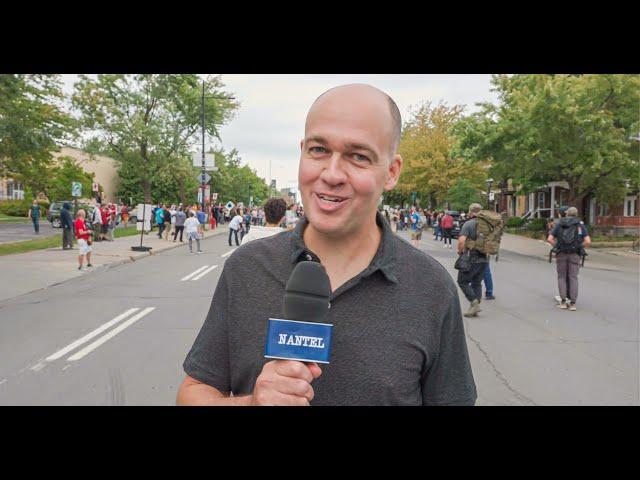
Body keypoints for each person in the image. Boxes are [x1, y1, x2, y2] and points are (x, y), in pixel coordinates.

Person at [177, 83, 476, 406]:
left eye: (358, 156)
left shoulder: (431, 288)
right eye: (319, 150)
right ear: (303, 151)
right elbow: (192, 393)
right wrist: (250, 403)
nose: (332, 174)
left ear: (391, 172)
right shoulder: (246, 268)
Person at [547, 206, 591, 311]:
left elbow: (549, 239)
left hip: (561, 253)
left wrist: (557, 246)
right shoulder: (580, 225)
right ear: (576, 214)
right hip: (575, 254)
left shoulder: (559, 224)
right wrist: (579, 247)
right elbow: (588, 241)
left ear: (567, 214)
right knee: (573, 277)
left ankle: (563, 301)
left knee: (561, 277)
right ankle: (572, 303)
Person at [456, 203, 488, 318]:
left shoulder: (468, 224)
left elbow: (461, 240)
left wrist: (460, 251)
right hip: (484, 258)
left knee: (462, 281)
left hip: (471, 257)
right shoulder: (487, 224)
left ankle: (474, 303)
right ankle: (476, 306)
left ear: (470, 212)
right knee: (477, 282)